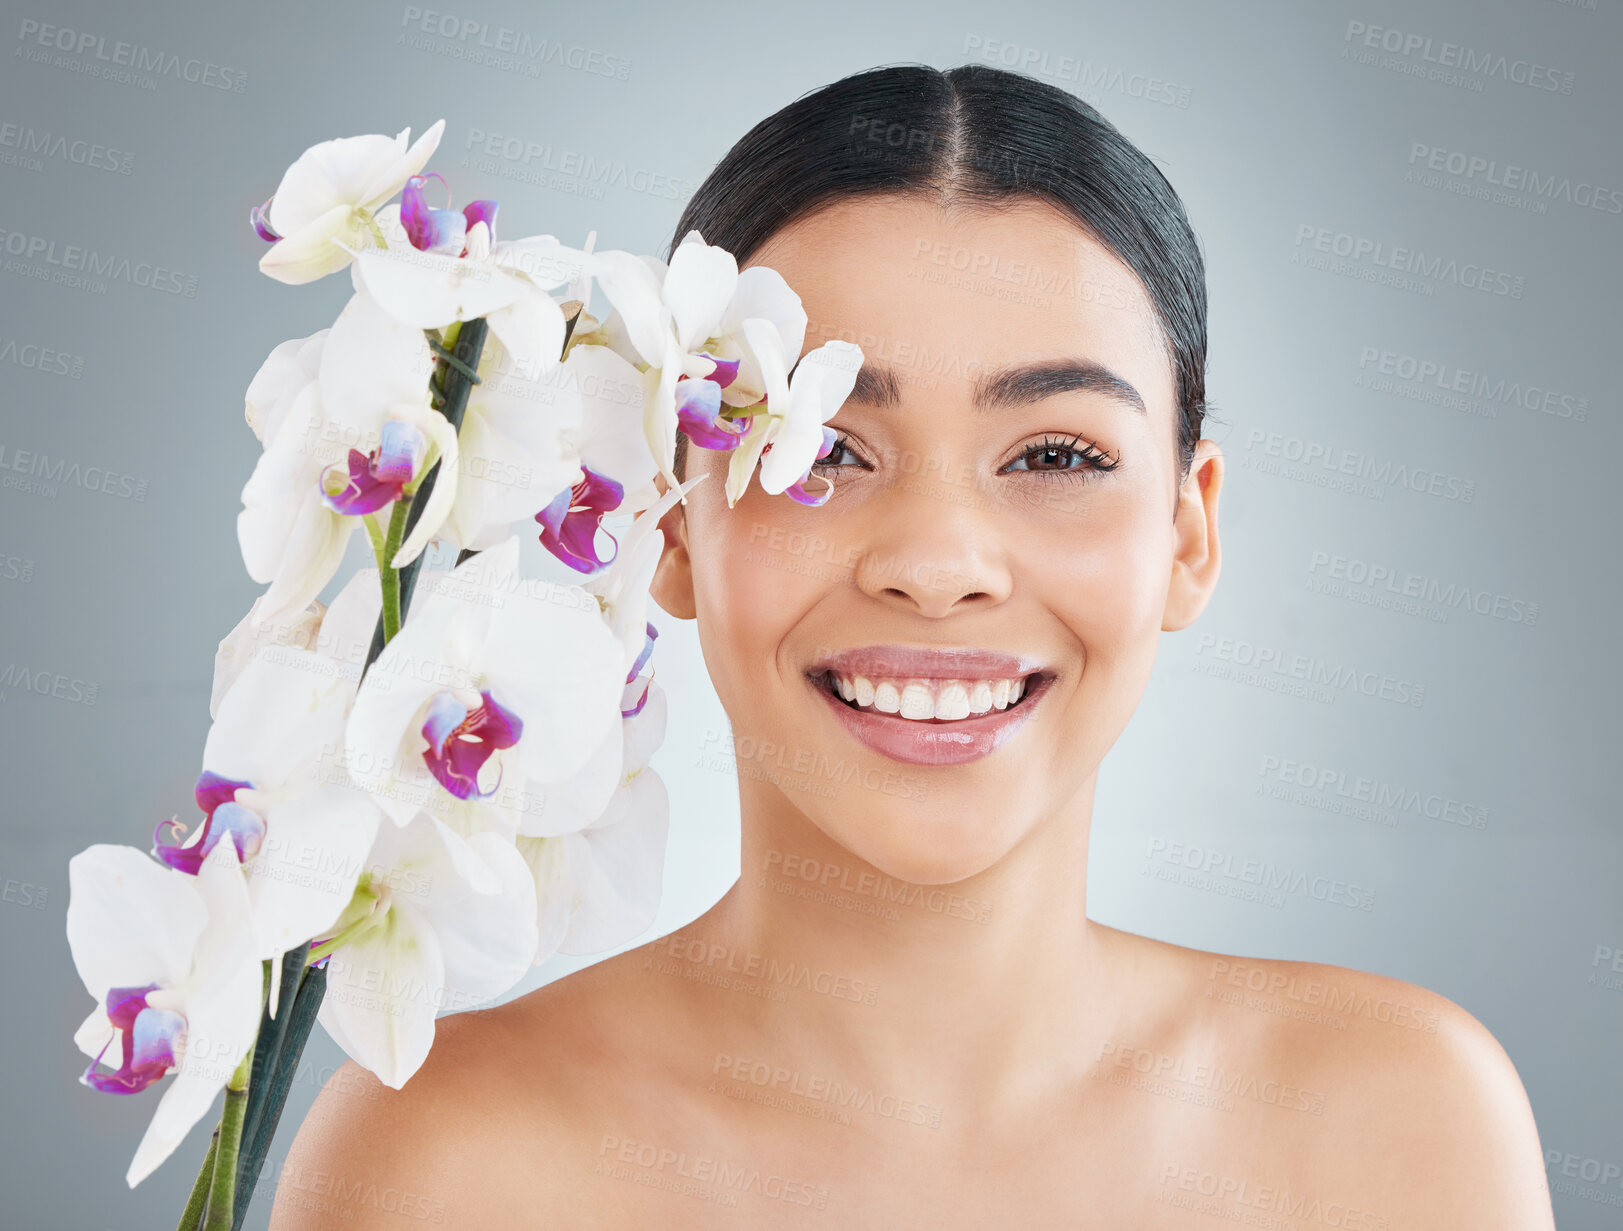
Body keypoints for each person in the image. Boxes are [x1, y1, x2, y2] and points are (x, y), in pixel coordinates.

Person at [272, 63, 1554, 1228]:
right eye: (823, 449)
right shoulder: (445, 1164)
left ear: (1189, 532)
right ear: (668, 518)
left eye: (1057, 453)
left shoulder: (1402, 1128)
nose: (939, 563)